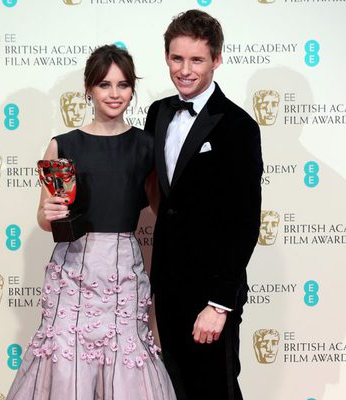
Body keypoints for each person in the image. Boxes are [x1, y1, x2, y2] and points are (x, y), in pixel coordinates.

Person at [6, 44, 176, 400]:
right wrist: (48, 214)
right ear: (88, 89)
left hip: (122, 270)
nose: (114, 94)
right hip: (73, 268)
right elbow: (44, 217)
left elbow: (165, 211)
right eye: (104, 85)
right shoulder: (63, 145)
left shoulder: (147, 146)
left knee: (125, 353)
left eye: (123, 85)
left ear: (132, 89)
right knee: (66, 354)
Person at [144, 10, 263, 400]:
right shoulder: (158, 113)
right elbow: (153, 189)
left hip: (212, 288)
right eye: (177, 59)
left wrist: (219, 302)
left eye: (196, 59)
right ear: (166, 58)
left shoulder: (238, 126)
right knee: (175, 386)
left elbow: (244, 220)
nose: (185, 70)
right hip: (168, 280)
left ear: (217, 59)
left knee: (216, 389)